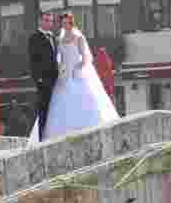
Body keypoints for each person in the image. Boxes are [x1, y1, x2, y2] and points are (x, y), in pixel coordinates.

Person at [33, 12, 120, 141]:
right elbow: (58, 58)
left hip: (77, 73)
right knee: (58, 104)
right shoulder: (59, 39)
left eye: (68, 23)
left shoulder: (79, 37)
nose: (65, 25)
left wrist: (77, 68)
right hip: (63, 75)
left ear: (71, 23)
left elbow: (86, 58)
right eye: (63, 23)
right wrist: (60, 69)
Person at [27, 11, 59, 143]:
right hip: (43, 80)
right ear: (40, 21)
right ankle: (41, 139)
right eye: (46, 20)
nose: (48, 23)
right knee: (43, 108)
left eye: (50, 21)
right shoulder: (34, 37)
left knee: (54, 107)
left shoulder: (53, 37)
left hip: (56, 78)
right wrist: (38, 78)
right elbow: (33, 60)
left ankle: (52, 135)